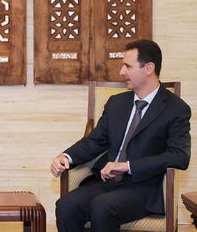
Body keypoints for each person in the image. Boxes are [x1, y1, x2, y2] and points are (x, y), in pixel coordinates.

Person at [50, 39, 191, 232]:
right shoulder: (116, 103)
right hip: (106, 183)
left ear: (148, 68)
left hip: (143, 188)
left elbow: (179, 156)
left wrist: (128, 166)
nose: (121, 72)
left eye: (127, 66)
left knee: (103, 206)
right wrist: (65, 156)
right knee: (66, 205)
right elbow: (95, 140)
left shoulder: (176, 109)